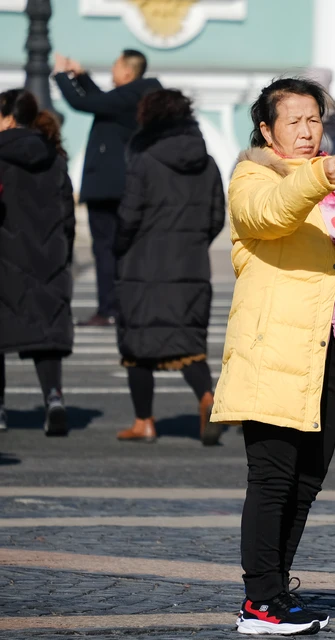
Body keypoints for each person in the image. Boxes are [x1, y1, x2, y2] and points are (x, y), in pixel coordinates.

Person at [211, 77, 335, 635]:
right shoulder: (252, 175)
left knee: (306, 481)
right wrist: (317, 177)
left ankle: (275, 593)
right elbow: (268, 215)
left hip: (328, 352)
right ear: (267, 129)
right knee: (271, 478)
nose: (306, 131)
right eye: (292, 121)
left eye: (314, 120)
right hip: (273, 350)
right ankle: (259, 601)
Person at [112, 89, 225, 445]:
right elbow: (217, 217)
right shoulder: (207, 163)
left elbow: (128, 217)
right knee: (188, 343)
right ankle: (207, 398)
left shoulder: (144, 161)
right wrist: (194, 242)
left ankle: (144, 421)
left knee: (138, 347)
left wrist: (119, 249)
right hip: (190, 265)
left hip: (143, 267)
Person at [53, 49, 162, 326]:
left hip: (108, 186)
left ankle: (109, 308)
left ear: (127, 71)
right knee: (121, 247)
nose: (112, 69)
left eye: (115, 65)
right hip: (121, 185)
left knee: (105, 248)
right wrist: (82, 76)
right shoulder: (135, 95)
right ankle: (122, 306)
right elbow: (101, 100)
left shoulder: (130, 94)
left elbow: (85, 103)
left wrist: (61, 76)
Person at [0, 89, 75, 436]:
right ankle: (54, 398)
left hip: (5, 257)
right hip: (47, 256)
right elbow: (67, 214)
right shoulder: (55, 156)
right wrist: (63, 253)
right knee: (46, 332)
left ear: (9, 118)